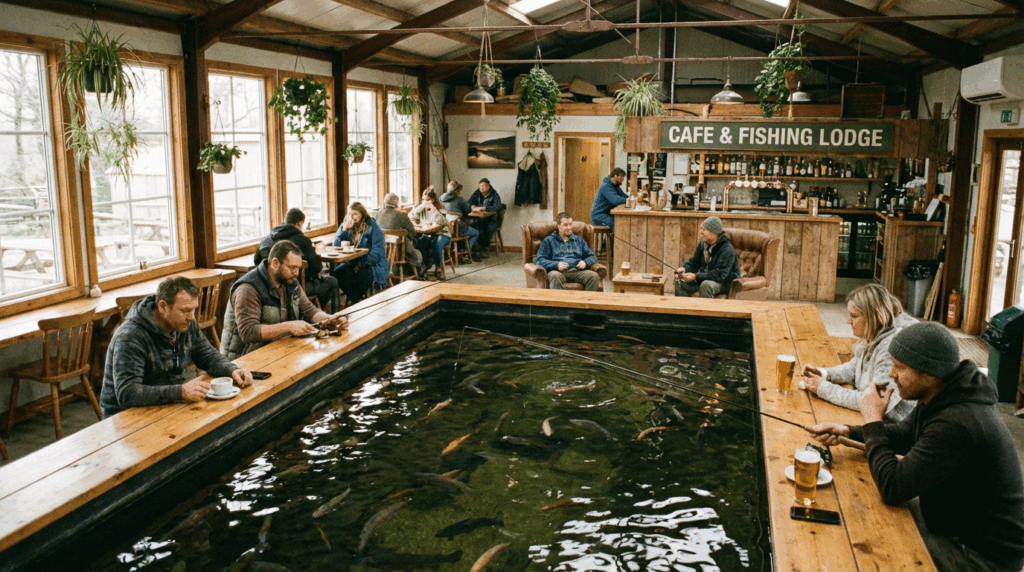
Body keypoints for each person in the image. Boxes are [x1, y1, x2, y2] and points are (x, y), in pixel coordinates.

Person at [808, 322, 1024, 572]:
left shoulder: (958, 423)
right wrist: (849, 430)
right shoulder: (944, 392)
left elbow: (893, 487)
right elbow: (903, 434)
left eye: (900, 367)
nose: (891, 374)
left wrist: (872, 420)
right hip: (952, 523)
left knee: (868, 541)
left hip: (981, 556)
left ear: (930, 374)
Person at [99, 276, 252, 418]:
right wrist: (180, 392)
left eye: (194, 309)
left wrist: (232, 369)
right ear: (163, 306)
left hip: (168, 403)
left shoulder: (185, 324)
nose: (192, 317)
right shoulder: (130, 337)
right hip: (124, 416)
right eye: (185, 310)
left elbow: (207, 355)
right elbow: (128, 393)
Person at [802, 283, 918, 421]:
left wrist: (823, 388)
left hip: (891, 427)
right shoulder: (876, 332)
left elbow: (874, 401)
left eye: (854, 316)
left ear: (873, 317)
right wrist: (825, 373)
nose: (848, 321)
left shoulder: (892, 348)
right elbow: (856, 367)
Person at [221, 241, 347, 361]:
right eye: (292, 267)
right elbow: (249, 332)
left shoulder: (289, 281)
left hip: (273, 351)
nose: (296, 273)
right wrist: (289, 326)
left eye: (298, 268)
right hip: (242, 361)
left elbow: (309, 310)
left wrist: (329, 319)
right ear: (275, 263)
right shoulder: (248, 288)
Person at [254, 208, 339, 312]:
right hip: (294, 287)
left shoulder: (266, 239)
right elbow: (316, 267)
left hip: (268, 287)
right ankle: (312, 312)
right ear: (299, 223)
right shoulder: (302, 240)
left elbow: (256, 261)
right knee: (333, 281)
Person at [331, 202, 388, 304]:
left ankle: (356, 300)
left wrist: (360, 265)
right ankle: (357, 300)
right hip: (352, 262)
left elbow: (377, 253)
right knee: (337, 274)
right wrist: (343, 230)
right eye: (349, 214)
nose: (351, 217)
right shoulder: (348, 226)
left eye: (355, 214)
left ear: (362, 214)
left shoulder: (373, 227)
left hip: (372, 264)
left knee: (363, 276)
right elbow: (335, 245)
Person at [674, 216, 740, 298]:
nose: (700, 232)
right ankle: (684, 309)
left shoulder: (727, 250)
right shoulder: (703, 245)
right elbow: (695, 262)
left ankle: (705, 310)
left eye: (704, 229)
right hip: (707, 278)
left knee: (706, 285)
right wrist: (684, 269)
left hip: (724, 282)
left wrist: (696, 277)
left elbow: (720, 275)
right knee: (680, 281)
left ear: (714, 232)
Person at [533, 212, 601, 291]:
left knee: (593, 276)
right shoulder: (548, 240)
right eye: (565, 225)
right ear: (558, 226)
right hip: (557, 272)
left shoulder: (579, 240)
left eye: (570, 224)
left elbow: (592, 257)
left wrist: (585, 262)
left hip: (576, 271)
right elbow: (539, 260)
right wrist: (556, 265)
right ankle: (559, 303)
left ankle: (586, 303)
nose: (569, 227)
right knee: (555, 276)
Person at [374, 192, 422, 275]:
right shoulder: (401, 215)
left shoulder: (377, 214)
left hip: (382, 250)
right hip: (399, 251)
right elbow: (413, 232)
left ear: (384, 202)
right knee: (417, 252)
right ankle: (418, 273)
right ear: (397, 204)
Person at [409, 188, 451, 281]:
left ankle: (439, 269)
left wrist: (433, 210)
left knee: (437, 243)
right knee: (420, 243)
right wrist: (419, 208)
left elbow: (443, 223)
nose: (425, 202)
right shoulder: (421, 208)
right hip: (428, 233)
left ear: (432, 200)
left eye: (427, 200)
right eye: (423, 199)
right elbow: (411, 217)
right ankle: (422, 268)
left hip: (443, 234)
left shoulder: (440, 209)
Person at [440, 180, 480, 262]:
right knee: (476, 233)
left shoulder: (441, 199)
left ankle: (457, 251)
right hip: (456, 228)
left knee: (464, 228)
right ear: (456, 190)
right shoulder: (459, 199)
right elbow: (468, 210)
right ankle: (464, 252)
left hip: (444, 228)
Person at [467, 178, 503, 259]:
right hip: (480, 218)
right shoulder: (477, 192)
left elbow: (498, 207)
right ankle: (479, 247)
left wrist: (484, 208)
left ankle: (485, 248)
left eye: (484, 186)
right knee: (474, 227)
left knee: (488, 229)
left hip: (492, 219)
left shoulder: (494, 194)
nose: (482, 188)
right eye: (481, 186)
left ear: (488, 186)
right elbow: (468, 202)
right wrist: (472, 206)